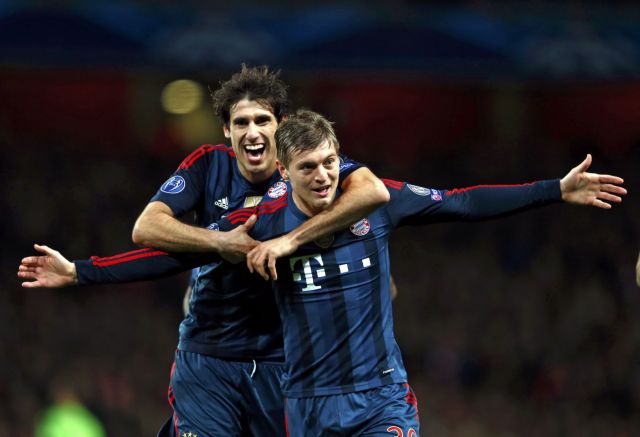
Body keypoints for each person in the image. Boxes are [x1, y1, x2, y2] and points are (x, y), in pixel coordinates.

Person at [21, 109, 626, 435]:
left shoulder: (378, 200)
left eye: (332, 162)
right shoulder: (258, 224)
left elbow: (463, 202)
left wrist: (554, 189)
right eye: (309, 166)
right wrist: (82, 272)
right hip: (306, 404)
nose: (324, 176)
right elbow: (174, 254)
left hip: (381, 396)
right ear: (284, 171)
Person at [19, 66, 389, 437]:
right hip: (210, 351)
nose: (252, 132)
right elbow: (146, 228)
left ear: (282, 125)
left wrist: (294, 241)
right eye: (240, 122)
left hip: (285, 359)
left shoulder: (308, 166)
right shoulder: (208, 164)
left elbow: (372, 191)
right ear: (227, 129)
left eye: (262, 120)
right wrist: (220, 242)